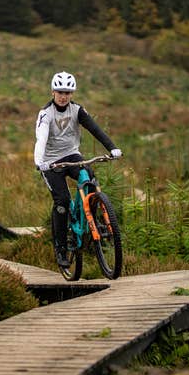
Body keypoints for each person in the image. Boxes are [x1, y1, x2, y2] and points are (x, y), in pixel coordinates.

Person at [34, 71, 122, 269]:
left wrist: (112, 148)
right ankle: (61, 248)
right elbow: (41, 139)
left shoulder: (77, 110)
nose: (63, 96)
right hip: (51, 162)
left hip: (72, 154)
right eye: (60, 92)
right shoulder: (46, 113)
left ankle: (91, 215)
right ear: (53, 92)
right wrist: (40, 161)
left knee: (88, 177)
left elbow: (95, 129)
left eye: (67, 92)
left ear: (72, 94)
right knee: (62, 201)